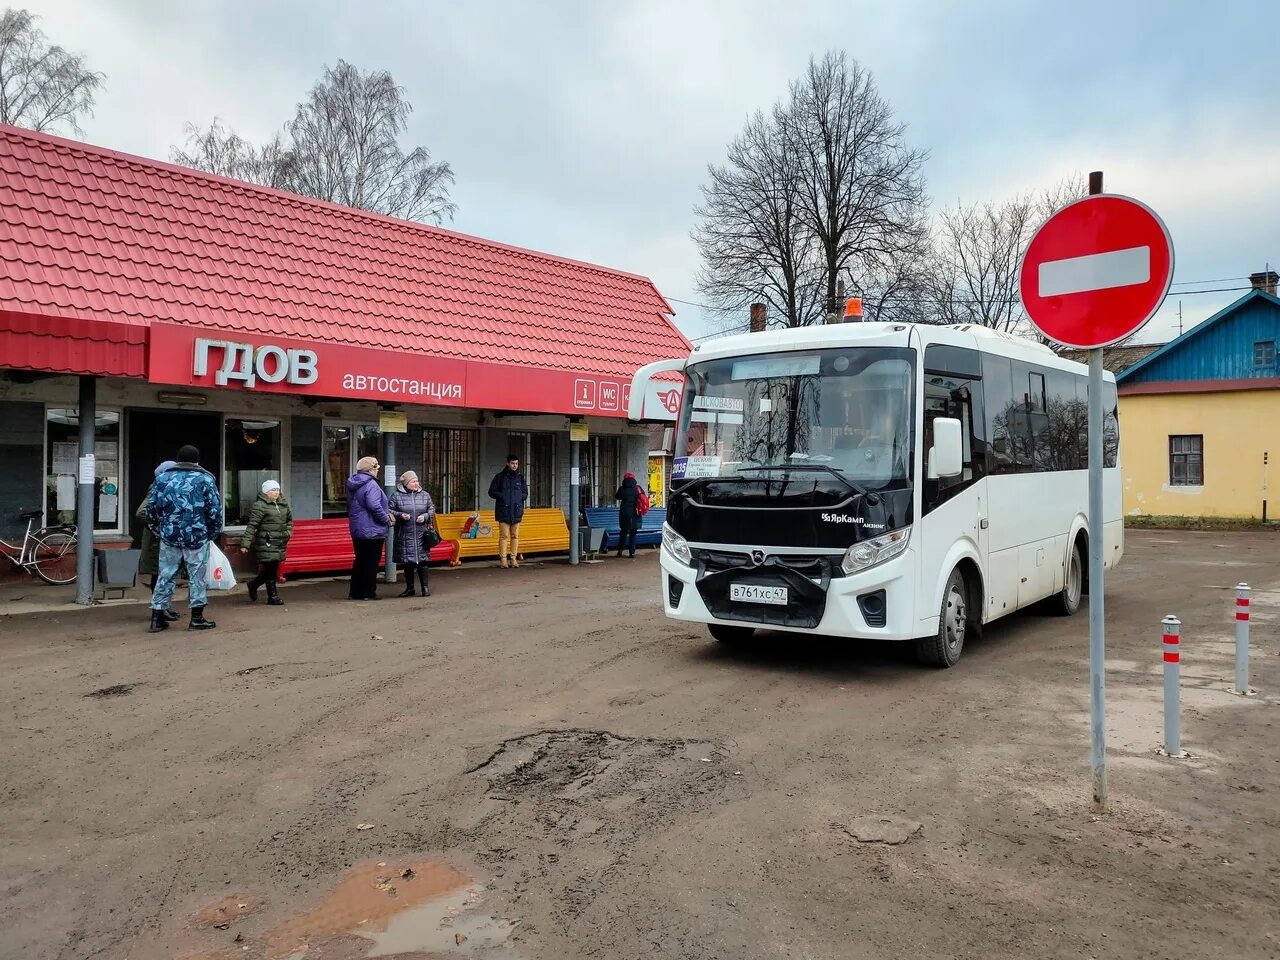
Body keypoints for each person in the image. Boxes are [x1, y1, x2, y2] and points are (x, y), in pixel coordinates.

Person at [146, 445, 223, 633]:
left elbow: (151, 509)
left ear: (178, 459)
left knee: (166, 574)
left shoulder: (163, 479)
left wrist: (159, 531)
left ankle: (156, 617)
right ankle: (196, 618)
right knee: (197, 577)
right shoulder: (205, 479)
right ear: (197, 461)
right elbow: (214, 511)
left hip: (169, 535)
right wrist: (211, 533)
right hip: (196, 535)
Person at [136, 460, 180, 622]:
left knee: (164, 575)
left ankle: (164, 608)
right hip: (156, 541)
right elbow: (142, 512)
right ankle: (160, 610)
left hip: (159, 539)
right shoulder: (157, 486)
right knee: (161, 575)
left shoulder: (166, 486)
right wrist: (161, 528)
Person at [239, 479, 292, 606]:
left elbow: (289, 521)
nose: (276, 492)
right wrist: (245, 544)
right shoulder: (260, 505)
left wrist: (287, 533)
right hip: (266, 542)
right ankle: (272, 596)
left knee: (271, 568)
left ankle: (253, 584)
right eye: (273, 490)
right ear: (266, 492)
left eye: (277, 489)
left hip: (279, 542)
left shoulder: (283, 504)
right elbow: (252, 525)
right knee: (271, 568)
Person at [347, 455, 391, 601]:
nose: (378, 471)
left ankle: (355, 592)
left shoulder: (353, 484)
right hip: (373, 529)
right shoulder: (371, 484)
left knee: (360, 560)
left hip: (358, 529)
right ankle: (368, 592)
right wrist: (385, 518)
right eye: (376, 468)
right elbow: (373, 505)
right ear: (371, 470)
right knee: (371, 562)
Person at [389, 470, 436, 598]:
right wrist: (400, 515)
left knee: (423, 561)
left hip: (421, 534)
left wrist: (426, 516)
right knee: (407, 562)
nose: (416, 483)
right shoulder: (396, 496)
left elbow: (431, 508)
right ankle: (410, 588)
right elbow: (389, 510)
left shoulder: (425, 495)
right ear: (406, 483)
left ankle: (425, 588)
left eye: (417, 481)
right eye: (413, 481)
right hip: (404, 533)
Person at [488, 453, 528, 568]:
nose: (514, 466)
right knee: (504, 536)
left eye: (516, 463)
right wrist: (502, 496)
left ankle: (514, 559)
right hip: (503, 511)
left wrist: (520, 497)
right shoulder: (499, 477)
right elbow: (491, 492)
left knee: (515, 536)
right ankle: (503, 560)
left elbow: (525, 492)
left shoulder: (520, 477)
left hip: (516, 511)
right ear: (507, 463)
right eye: (512, 463)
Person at [615, 472, 643, 559]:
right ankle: (632, 553)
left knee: (623, 532)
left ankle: (620, 550)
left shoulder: (622, 489)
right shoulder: (638, 488)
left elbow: (617, 497)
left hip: (624, 513)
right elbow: (643, 496)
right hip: (636, 513)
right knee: (633, 533)